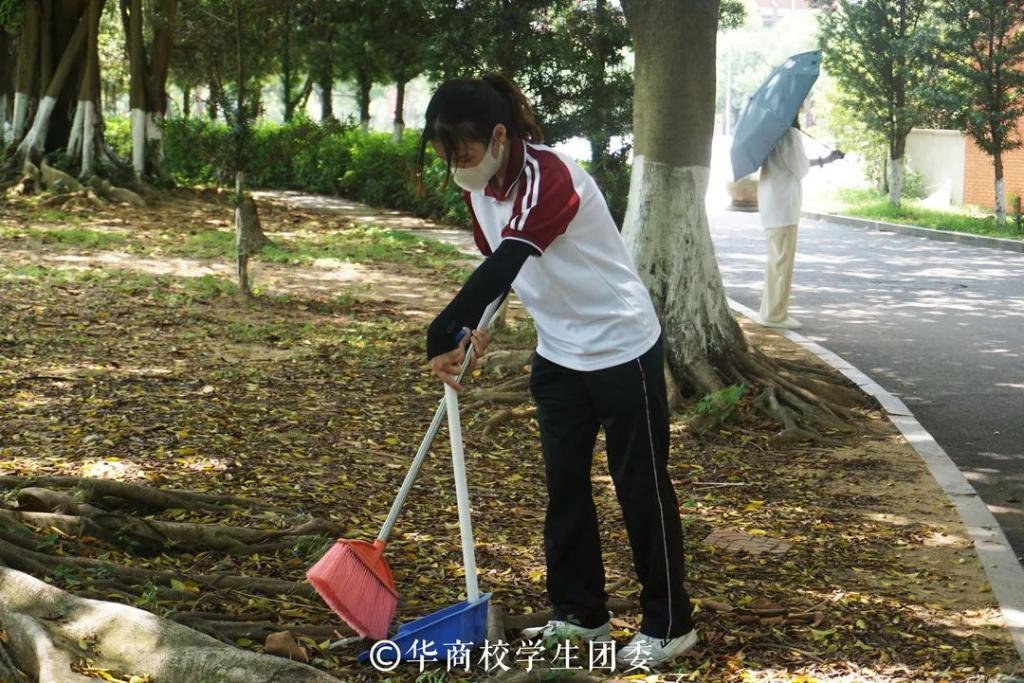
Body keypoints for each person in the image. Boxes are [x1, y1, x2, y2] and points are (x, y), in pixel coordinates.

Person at [416, 74, 698, 667]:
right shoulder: (480, 189)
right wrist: (475, 331)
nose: (457, 168)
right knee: (564, 487)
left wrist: (441, 329)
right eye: (447, 158)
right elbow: (503, 270)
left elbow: (512, 256)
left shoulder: (552, 177)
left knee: (640, 487)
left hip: (623, 347)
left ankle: (670, 624)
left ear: (498, 137)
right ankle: (580, 615)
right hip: (559, 354)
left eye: (463, 154)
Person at [757, 117, 843, 329]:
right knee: (782, 261)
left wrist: (825, 160)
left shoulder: (769, 129)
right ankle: (776, 316)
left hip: (770, 200)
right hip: (784, 204)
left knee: (775, 261)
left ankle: (769, 311)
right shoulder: (789, 133)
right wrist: (825, 160)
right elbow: (800, 167)